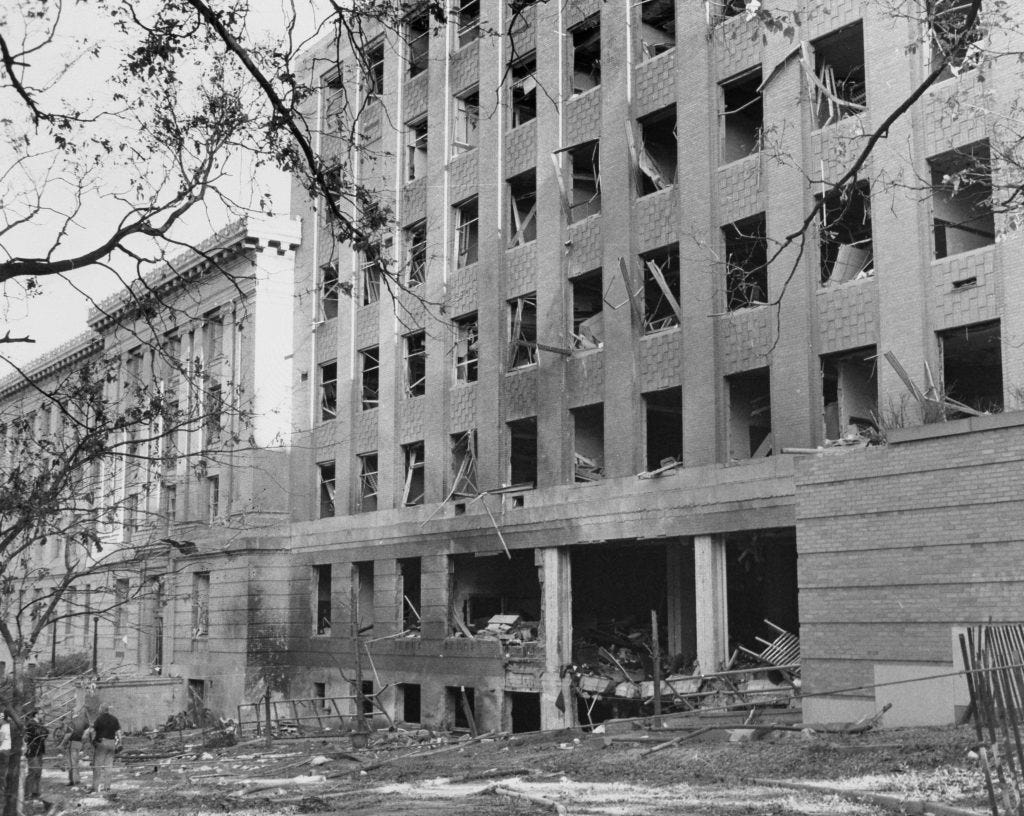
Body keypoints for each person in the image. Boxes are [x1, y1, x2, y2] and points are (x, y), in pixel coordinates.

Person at [89, 704, 122, 794]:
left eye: (99, 709)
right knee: (109, 766)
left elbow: (92, 731)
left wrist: (92, 740)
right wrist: (120, 743)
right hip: (112, 743)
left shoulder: (99, 719)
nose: (98, 710)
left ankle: (95, 787)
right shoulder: (114, 719)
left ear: (102, 710)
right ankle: (107, 787)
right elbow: (118, 732)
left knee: (97, 766)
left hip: (102, 743)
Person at [58, 709, 89, 787]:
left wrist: (62, 744)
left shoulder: (71, 722)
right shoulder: (84, 721)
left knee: (72, 763)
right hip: (79, 743)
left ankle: (74, 781)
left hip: (72, 744)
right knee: (75, 762)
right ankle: (75, 780)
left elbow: (68, 735)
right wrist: (83, 740)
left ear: (72, 713)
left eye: (71, 712)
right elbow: (87, 731)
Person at [23, 710, 48, 800]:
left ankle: (35, 793)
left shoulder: (40, 724)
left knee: (38, 772)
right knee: (32, 772)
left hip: (39, 751)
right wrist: (42, 730)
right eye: (41, 713)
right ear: (36, 715)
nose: (43, 715)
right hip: (33, 751)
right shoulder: (31, 724)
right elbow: (38, 734)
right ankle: (27, 795)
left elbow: (46, 733)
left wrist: (43, 730)